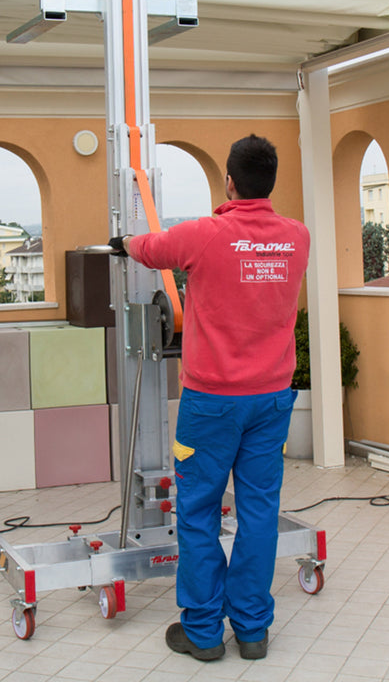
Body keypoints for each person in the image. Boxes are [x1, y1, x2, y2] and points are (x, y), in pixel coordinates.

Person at [110, 134, 310, 661]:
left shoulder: (205, 235)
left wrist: (123, 244)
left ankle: (202, 633)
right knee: (259, 510)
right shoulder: (298, 238)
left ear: (228, 181)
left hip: (211, 403)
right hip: (271, 399)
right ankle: (251, 630)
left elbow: (150, 249)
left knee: (198, 510)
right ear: (271, 181)